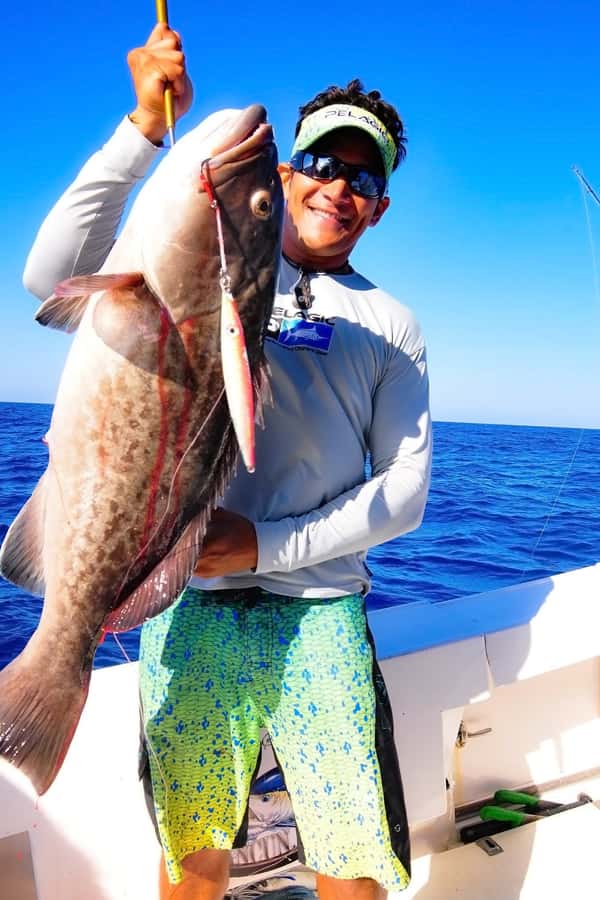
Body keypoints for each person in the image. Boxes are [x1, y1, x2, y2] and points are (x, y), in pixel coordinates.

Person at [23, 24, 432, 900]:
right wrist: (141, 129)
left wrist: (264, 546)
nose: (339, 187)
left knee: (352, 859)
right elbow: (48, 273)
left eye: (365, 179)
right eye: (321, 163)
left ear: (381, 206)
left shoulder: (392, 325)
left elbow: (403, 495)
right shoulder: (204, 263)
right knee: (191, 854)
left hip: (318, 610)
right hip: (189, 603)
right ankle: (51, 665)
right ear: (285, 175)